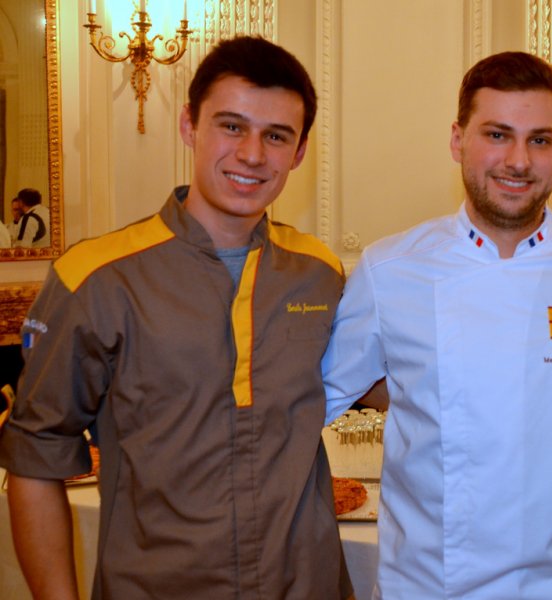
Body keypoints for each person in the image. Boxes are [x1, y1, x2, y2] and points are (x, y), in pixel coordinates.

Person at [0, 37, 352, 599]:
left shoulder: (319, 273)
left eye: (277, 136)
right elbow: (35, 460)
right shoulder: (96, 277)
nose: (253, 155)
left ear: (300, 151)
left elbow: (381, 380)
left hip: (304, 584)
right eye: (231, 126)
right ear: (189, 125)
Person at [322, 51, 552, 598]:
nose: (518, 160)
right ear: (457, 140)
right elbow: (316, 400)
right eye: (497, 134)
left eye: (540, 139)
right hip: (428, 583)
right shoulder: (390, 267)